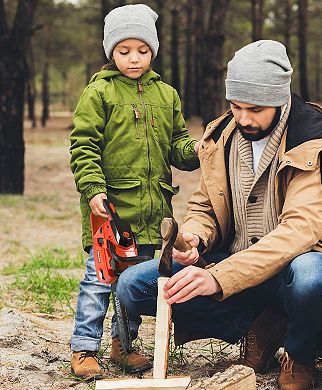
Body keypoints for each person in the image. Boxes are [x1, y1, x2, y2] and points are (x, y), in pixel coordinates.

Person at [116, 40, 322, 390]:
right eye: (235, 106)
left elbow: (299, 231)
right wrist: (196, 237)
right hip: (237, 265)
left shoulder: (315, 140)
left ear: (279, 99)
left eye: (255, 108)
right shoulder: (222, 135)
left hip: (296, 267)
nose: (243, 118)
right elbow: (204, 206)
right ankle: (260, 325)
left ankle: (300, 353)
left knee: (312, 277)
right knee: (134, 286)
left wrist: (218, 279)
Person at [69, 4, 200, 380]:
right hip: (109, 212)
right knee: (99, 281)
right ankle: (84, 347)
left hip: (151, 212)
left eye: (142, 51)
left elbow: (177, 145)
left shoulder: (167, 94)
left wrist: (199, 152)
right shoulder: (99, 92)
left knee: (131, 285)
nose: (134, 59)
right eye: (124, 51)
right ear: (111, 51)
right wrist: (93, 188)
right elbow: (83, 145)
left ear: (153, 50)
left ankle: (124, 347)